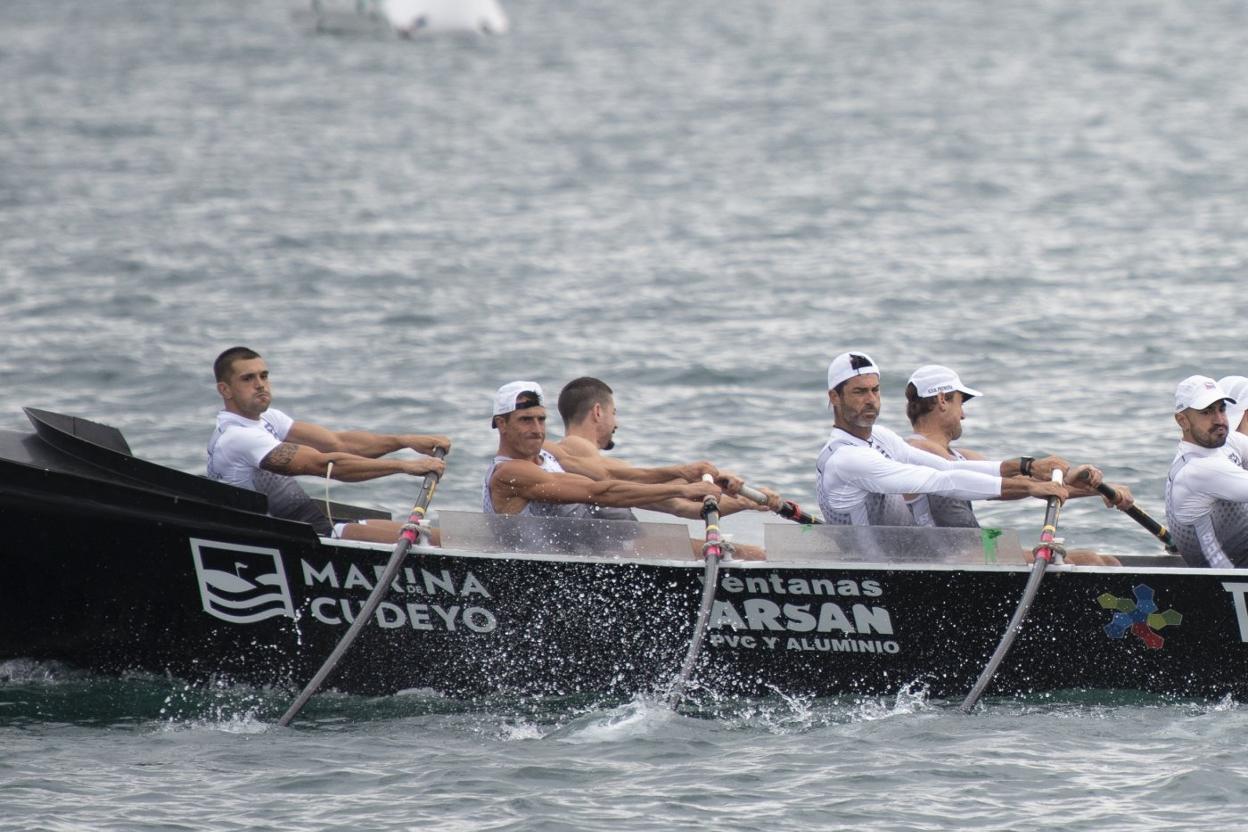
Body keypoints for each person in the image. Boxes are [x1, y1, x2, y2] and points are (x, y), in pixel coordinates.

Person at [207, 346, 449, 544]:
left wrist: (404, 441)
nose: (260, 384)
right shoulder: (238, 437)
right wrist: (404, 467)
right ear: (224, 389)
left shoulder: (269, 419)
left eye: (264, 375)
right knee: (427, 542)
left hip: (314, 526)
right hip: (284, 540)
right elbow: (325, 465)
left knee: (439, 537)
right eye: (248, 378)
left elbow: (339, 443)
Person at [815, 351, 1077, 529]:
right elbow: (941, 481)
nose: (871, 399)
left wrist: (1026, 466)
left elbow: (949, 467)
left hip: (895, 563)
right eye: (859, 392)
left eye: (875, 390)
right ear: (835, 397)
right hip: (867, 576)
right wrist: (1030, 488)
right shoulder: (846, 459)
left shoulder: (881, 438)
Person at [903, 364, 1131, 565]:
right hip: (945, 563)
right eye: (961, 403)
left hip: (977, 553)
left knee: (1104, 561)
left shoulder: (961, 456)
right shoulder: (915, 450)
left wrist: (1099, 489)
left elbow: (1019, 483)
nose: (963, 415)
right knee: (1093, 563)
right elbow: (972, 478)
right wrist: (1033, 480)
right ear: (942, 400)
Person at [483, 381, 728, 554]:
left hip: (581, 560)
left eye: (542, 419)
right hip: (542, 577)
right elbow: (600, 491)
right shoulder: (509, 473)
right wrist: (681, 490)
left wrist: (683, 475)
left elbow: (608, 476)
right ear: (502, 424)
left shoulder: (547, 453)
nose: (537, 430)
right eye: (526, 420)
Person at [547, 376, 785, 521]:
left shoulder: (596, 467)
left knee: (748, 552)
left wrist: (747, 502)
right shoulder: (572, 450)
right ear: (598, 412)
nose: (616, 423)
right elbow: (614, 477)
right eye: (614, 413)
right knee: (752, 554)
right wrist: (687, 473)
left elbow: (681, 505)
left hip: (624, 557)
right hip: (617, 562)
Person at [1164, 375, 1248, 568]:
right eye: (1206, 412)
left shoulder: (1228, 443)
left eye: (1222, 409)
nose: (1219, 420)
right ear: (1182, 421)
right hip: (1228, 577)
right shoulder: (1197, 470)